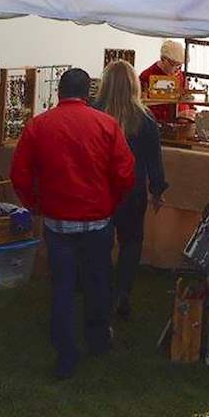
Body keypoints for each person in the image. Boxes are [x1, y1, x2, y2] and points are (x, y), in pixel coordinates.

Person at [10, 68, 135, 380]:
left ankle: (65, 352)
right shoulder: (107, 124)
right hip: (97, 218)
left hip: (58, 220)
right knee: (98, 281)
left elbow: (20, 174)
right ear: (88, 94)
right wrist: (111, 203)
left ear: (58, 93)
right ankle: (97, 340)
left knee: (63, 288)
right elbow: (124, 173)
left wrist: (35, 205)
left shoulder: (39, 125)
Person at [93, 61, 168, 320]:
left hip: (99, 187)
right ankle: (122, 291)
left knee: (101, 242)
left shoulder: (94, 112)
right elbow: (153, 160)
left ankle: (101, 291)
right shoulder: (145, 118)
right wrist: (157, 189)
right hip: (132, 189)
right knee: (132, 241)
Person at [138, 40, 195, 125]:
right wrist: (174, 115)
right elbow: (143, 108)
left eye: (180, 65)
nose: (177, 69)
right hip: (159, 126)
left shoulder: (179, 75)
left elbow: (185, 98)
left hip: (181, 124)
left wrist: (190, 111)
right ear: (163, 59)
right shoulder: (146, 76)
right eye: (173, 65)